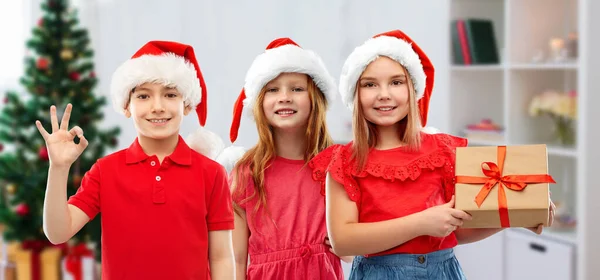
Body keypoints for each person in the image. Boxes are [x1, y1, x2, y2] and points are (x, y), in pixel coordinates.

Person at [309, 30, 556, 279]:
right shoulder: (345, 161)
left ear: (414, 90)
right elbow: (343, 241)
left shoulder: (443, 151)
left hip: (442, 272)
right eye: (370, 84)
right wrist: (421, 223)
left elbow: (456, 231)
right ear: (356, 94)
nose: (384, 93)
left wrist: (515, 216)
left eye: (396, 82)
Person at [36, 41, 235, 280]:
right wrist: (58, 168)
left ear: (187, 105)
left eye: (170, 94)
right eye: (143, 96)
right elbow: (58, 232)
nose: (158, 107)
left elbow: (222, 256)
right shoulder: (105, 171)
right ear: (126, 106)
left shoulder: (211, 173)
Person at [226, 37, 350, 280]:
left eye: (297, 88)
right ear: (259, 102)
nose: (284, 97)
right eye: (273, 89)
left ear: (315, 99)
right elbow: (236, 258)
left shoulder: (337, 165)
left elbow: (355, 242)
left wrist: (348, 249)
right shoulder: (246, 173)